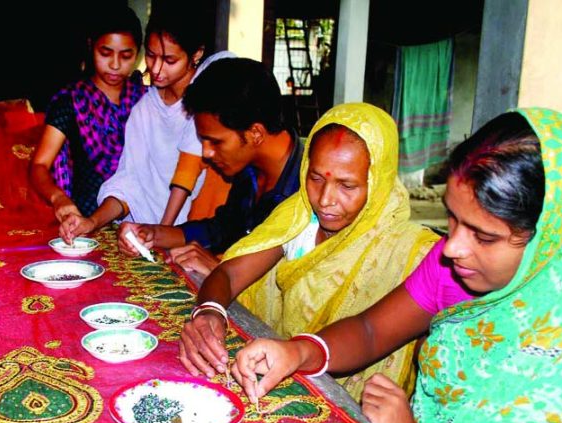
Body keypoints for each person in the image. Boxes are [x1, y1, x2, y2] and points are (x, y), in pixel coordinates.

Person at [233, 109, 562, 423]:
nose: (452, 246)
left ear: (551, 238)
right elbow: (370, 330)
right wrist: (298, 351)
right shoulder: (456, 268)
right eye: (452, 219)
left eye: (483, 235)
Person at [179, 103, 438, 399]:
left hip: (356, 403)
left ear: (377, 181)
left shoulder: (409, 252)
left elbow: (371, 332)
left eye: (347, 186)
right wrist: (209, 313)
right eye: (315, 178)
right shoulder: (299, 218)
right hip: (280, 366)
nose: (326, 199)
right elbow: (229, 272)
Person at [59, 4, 234, 243]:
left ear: (196, 54)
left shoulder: (215, 81)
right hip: (154, 234)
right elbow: (129, 183)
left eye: (169, 59)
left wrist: (162, 232)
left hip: (208, 229)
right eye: (151, 56)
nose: (157, 69)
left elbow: (189, 165)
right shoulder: (144, 110)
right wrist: (92, 222)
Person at [117, 58, 303, 277]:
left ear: (255, 134)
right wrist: (152, 233)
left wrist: (221, 272)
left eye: (215, 142)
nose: (206, 153)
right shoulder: (249, 168)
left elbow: (290, 289)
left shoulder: (311, 188)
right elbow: (223, 229)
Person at [29, 6, 145, 223]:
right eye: (106, 53)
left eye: (126, 55)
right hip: (84, 217)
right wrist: (58, 197)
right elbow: (39, 166)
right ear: (91, 47)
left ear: (138, 54)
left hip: (142, 218)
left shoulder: (146, 101)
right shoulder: (72, 102)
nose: (115, 65)